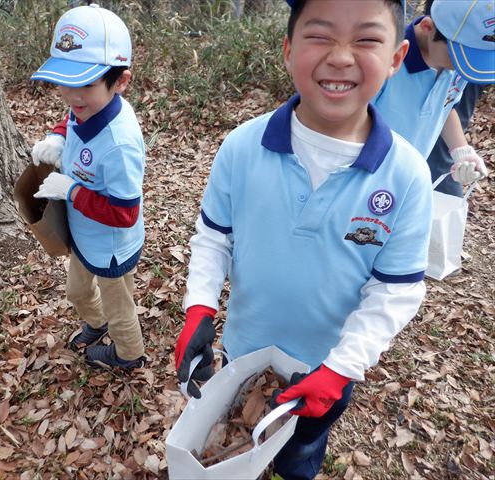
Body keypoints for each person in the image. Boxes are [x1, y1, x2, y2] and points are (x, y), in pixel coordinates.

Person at [174, 0, 433, 477]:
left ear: (396, 58)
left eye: (366, 39)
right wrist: (199, 307)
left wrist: (340, 368)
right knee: (232, 442)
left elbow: (395, 289)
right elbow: (213, 239)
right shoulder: (242, 147)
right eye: (320, 34)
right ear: (289, 50)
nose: (340, 56)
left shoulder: (407, 176)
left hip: (325, 369)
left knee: (300, 455)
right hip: (242, 352)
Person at [30, 4, 146, 370]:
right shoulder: (84, 108)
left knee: (119, 307)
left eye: (86, 85)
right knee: (78, 291)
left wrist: (71, 191)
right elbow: (71, 119)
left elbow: (125, 214)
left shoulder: (120, 145)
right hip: (84, 235)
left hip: (112, 246)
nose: (73, 96)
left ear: (121, 81)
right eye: (65, 82)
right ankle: (95, 324)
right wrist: (58, 137)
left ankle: (128, 354)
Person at [372, 0, 494, 193]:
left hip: (407, 182)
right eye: (458, 56)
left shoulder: (457, 69)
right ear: (427, 27)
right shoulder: (384, 61)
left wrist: (461, 151)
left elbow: (444, 106)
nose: (461, 65)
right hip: (368, 178)